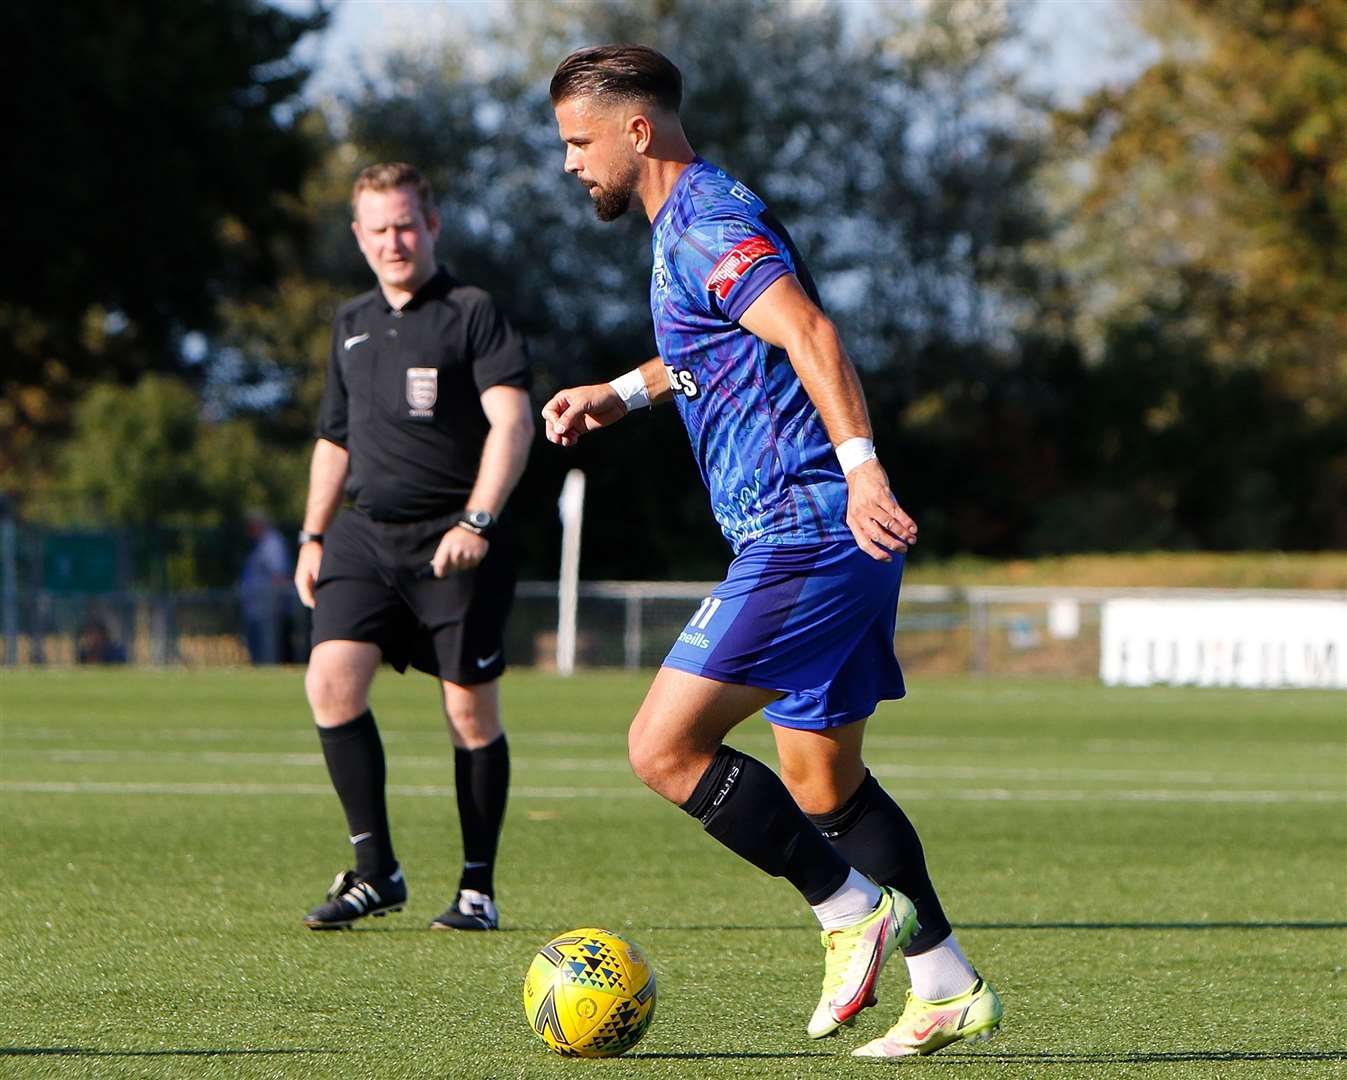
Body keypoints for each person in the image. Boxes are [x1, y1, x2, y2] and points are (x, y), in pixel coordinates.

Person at [543, 46, 1002, 1057]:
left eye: (579, 142)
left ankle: (851, 913)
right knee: (823, 785)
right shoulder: (689, 225)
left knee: (662, 749)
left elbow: (810, 334)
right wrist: (617, 396)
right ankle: (948, 985)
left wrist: (864, 469)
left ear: (638, 129)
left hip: (807, 528)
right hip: (821, 532)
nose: (571, 164)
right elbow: (717, 345)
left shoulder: (708, 220)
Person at [294, 162, 534, 933]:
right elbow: (334, 438)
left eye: (405, 224)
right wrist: (312, 534)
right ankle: (375, 872)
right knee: (331, 683)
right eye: (378, 229)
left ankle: (476, 889)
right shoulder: (350, 321)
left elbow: (513, 423)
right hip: (365, 537)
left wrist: (478, 521)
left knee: (469, 715)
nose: (393, 241)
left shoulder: (472, 312)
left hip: (455, 542)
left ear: (430, 225)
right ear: (358, 237)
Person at [239, 510, 294, 664]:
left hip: (268, 611)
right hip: (257, 610)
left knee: (269, 656)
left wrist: (276, 603)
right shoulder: (261, 544)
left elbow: (280, 575)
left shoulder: (272, 543)